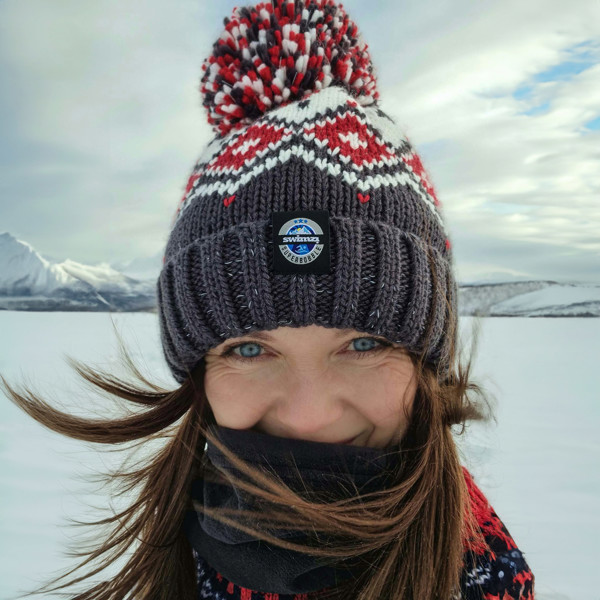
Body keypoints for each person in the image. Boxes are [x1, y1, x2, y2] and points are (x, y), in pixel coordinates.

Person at [2, 1, 535, 599]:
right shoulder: (168, 566)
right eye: (250, 348)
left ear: (426, 364)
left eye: (364, 342)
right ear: (199, 374)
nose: (310, 418)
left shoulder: (489, 580)